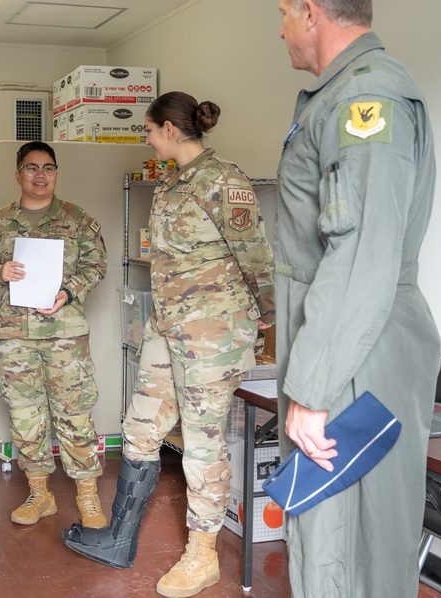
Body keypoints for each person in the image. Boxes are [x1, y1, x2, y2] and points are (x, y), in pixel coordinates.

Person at [274, 0, 439, 598]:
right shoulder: (340, 96)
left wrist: (312, 390)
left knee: (344, 541)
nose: (280, 28)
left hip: (352, 360)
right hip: (344, 345)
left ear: (310, 11)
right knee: (332, 535)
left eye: (283, 13)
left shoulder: (364, 100)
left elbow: (363, 250)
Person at [63, 92, 274, 598]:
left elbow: (256, 257)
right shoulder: (170, 183)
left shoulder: (225, 181)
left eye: (151, 130)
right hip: (167, 325)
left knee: (202, 443)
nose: (148, 139)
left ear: (172, 130)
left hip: (212, 336)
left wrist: (266, 317)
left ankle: (202, 555)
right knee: (139, 428)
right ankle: (119, 538)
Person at [0, 141, 108, 529]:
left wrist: (71, 290)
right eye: (32, 168)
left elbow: (98, 264)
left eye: (48, 168)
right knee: (26, 416)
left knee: (75, 415)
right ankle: (39, 492)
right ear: (18, 175)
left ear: (56, 173)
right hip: (15, 336)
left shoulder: (77, 219)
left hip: (65, 335)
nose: (41, 175)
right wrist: (0, 273)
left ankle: (87, 496)